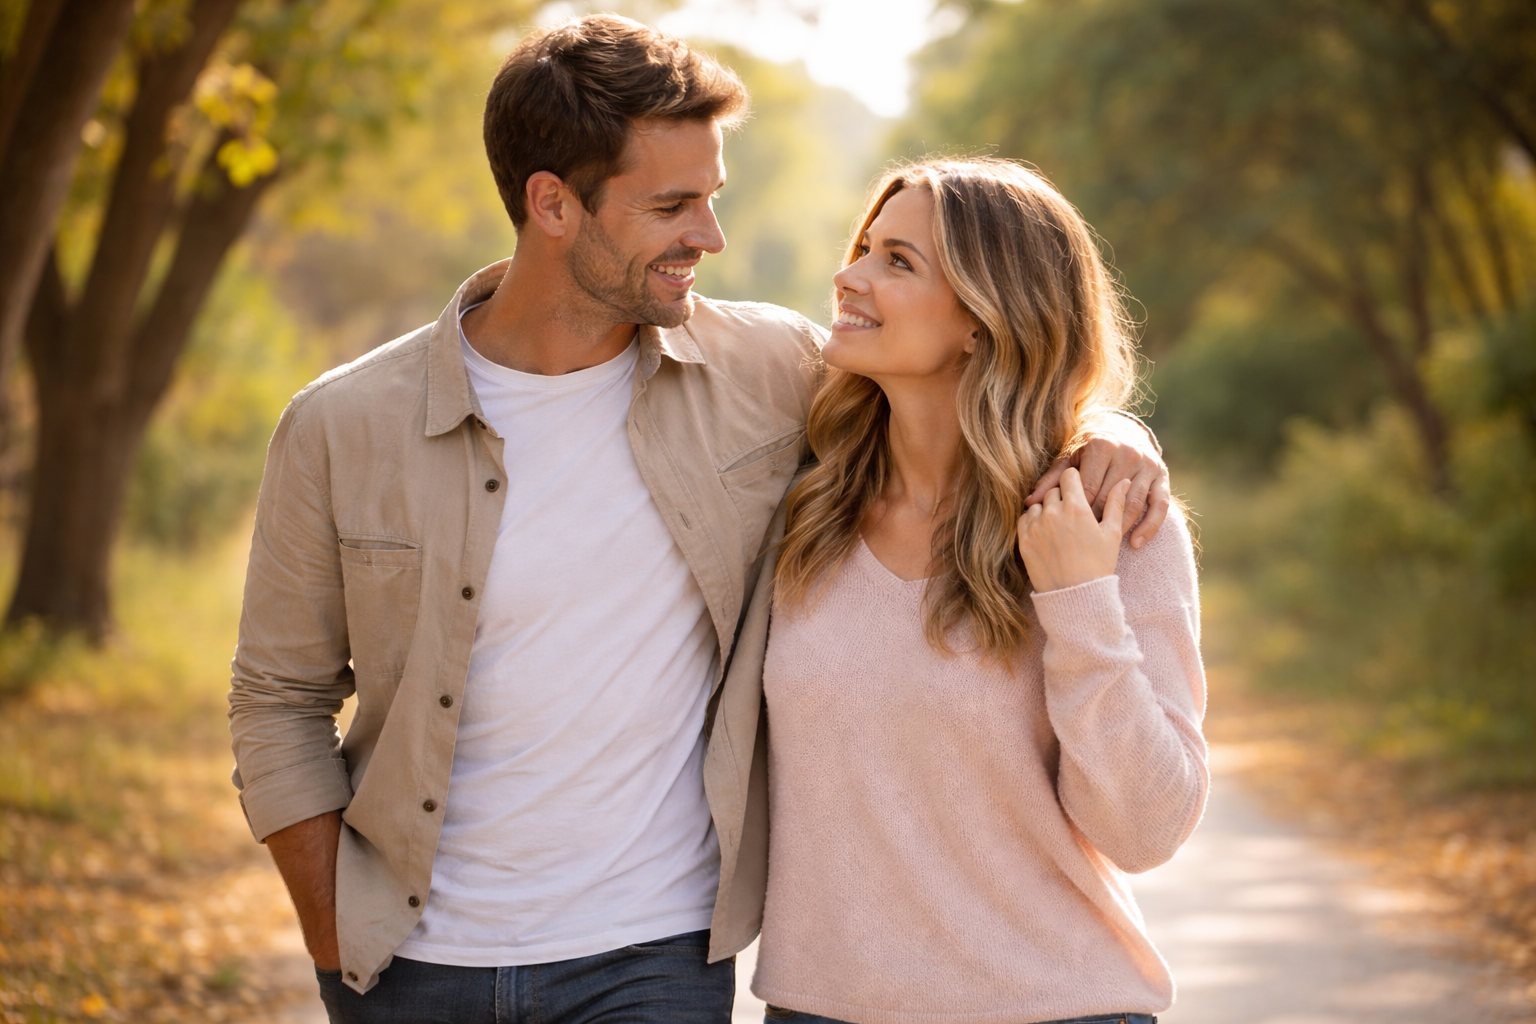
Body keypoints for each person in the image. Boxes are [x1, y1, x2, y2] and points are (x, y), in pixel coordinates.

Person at [227, 18, 1172, 1024]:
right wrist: (332, 934)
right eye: (672, 205)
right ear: (551, 203)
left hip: (651, 959)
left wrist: (1117, 438)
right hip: (412, 963)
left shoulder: (762, 372)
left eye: (712, 199)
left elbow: (968, 366)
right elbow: (278, 696)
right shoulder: (343, 425)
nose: (709, 237)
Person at [750, 158, 1207, 1024]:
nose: (848, 277)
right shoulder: (802, 502)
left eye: (898, 262)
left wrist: (1079, 600)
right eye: (862, 249)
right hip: (818, 1009)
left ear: (983, 319)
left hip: (1055, 1005)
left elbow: (1148, 830)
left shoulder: (1111, 525)